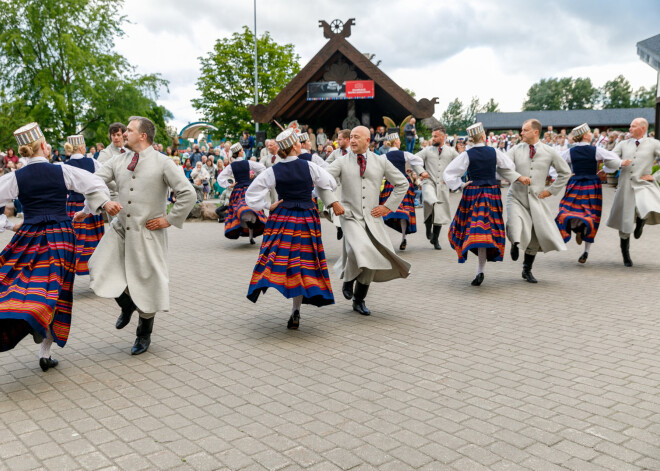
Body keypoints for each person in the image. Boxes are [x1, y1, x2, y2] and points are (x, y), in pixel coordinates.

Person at [74, 116, 196, 356]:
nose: (124, 133)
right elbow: (93, 181)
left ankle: (143, 333)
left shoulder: (164, 163)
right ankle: (127, 304)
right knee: (96, 266)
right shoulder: (119, 160)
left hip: (147, 232)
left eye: (129, 130)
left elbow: (188, 193)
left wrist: (169, 219)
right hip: (119, 229)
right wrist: (104, 202)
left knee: (147, 283)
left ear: (143, 136)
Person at [0, 122, 110, 371]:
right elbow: (98, 187)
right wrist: (85, 211)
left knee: (18, 282)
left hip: (28, 236)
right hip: (61, 237)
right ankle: (43, 347)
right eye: (48, 143)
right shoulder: (62, 170)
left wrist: (8, 224)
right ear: (42, 146)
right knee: (58, 293)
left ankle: (31, 323)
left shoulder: (16, 176)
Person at [245, 128, 341, 329]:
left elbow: (251, 194)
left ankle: (282, 297)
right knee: (303, 263)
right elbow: (331, 183)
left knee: (277, 259)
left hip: (282, 218)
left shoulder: (273, 170)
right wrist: (310, 192)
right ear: (295, 146)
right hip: (306, 218)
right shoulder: (310, 166)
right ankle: (296, 310)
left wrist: (266, 206)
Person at [319, 126, 410, 316]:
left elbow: (403, 183)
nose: (352, 140)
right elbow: (321, 181)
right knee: (361, 248)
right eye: (350, 137)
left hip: (373, 217)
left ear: (368, 141)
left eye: (356, 137)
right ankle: (348, 280)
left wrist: (387, 206)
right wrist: (333, 202)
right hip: (349, 216)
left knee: (373, 257)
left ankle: (359, 300)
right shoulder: (341, 161)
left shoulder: (381, 161)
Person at [498, 119, 571, 283]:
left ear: (535, 132)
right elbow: (502, 167)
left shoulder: (549, 151)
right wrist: (517, 177)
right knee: (514, 222)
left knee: (535, 236)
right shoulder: (515, 149)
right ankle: (515, 242)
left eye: (525, 130)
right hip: (516, 196)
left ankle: (527, 269)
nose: (521, 133)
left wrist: (550, 191)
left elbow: (565, 172)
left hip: (537, 199)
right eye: (521, 130)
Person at [443, 123, 516, 285]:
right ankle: (480, 270)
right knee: (486, 230)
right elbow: (509, 165)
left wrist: (461, 185)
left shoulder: (467, 155)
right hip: (491, 193)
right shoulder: (494, 151)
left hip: (473, 193)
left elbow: (448, 173)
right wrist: (494, 174)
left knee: (475, 229)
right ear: (484, 137)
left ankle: (479, 271)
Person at [554, 123, 621, 263]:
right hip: (592, 185)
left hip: (575, 183)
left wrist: (566, 175)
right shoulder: (595, 150)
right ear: (585, 135)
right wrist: (606, 170)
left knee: (567, 210)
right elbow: (614, 159)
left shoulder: (569, 152)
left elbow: (555, 165)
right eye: (590, 132)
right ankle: (586, 250)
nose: (591, 134)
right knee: (591, 215)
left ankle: (576, 231)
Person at [605, 118, 660, 267]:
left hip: (644, 184)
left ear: (642, 128)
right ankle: (626, 254)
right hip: (625, 186)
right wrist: (619, 163)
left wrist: (654, 176)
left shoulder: (654, 143)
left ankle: (642, 221)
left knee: (645, 205)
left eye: (633, 126)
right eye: (629, 126)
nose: (629, 129)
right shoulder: (622, 144)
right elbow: (609, 160)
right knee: (625, 221)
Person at [378, 133, 428, 250]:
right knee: (405, 211)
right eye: (399, 140)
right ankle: (404, 237)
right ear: (396, 142)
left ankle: (385, 239)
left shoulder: (384, 157)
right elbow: (419, 160)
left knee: (386, 211)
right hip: (404, 184)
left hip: (391, 184)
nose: (400, 142)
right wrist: (410, 168)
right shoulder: (404, 154)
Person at [64, 135, 104, 275]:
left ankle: (67, 275)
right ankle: (98, 274)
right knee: (95, 241)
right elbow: (101, 181)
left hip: (73, 206)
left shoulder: (65, 166)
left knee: (73, 241)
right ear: (82, 147)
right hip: (91, 205)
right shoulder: (93, 162)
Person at [415, 126, 459, 250]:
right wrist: (421, 172)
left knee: (439, 212)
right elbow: (414, 160)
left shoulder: (451, 151)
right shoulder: (427, 150)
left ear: (443, 137)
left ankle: (436, 238)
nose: (432, 138)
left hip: (443, 186)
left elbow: (462, 164)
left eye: (435, 136)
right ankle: (428, 228)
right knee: (430, 204)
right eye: (432, 136)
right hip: (429, 182)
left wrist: (452, 178)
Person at [217, 143, 267, 244]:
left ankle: (247, 230)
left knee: (239, 211)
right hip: (248, 190)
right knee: (253, 209)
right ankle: (250, 234)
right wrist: (256, 179)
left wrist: (229, 185)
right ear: (239, 152)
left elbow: (220, 178)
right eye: (242, 150)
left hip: (238, 191)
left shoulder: (231, 166)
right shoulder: (248, 163)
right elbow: (262, 168)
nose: (243, 151)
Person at [325, 129, 351, 240]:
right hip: (338, 186)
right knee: (335, 207)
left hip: (351, 186)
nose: (337, 142)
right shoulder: (336, 153)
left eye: (340, 140)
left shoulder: (354, 151)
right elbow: (326, 164)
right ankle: (339, 227)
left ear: (347, 139)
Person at [97, 122, 127, 201]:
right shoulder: (105, 153)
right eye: (113, 135)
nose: (116, 138)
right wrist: (120, 188)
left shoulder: (130, 151)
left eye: (118, 135)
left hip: (131, 195)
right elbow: (101, 176)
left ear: (124, 136)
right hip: (113, 196)